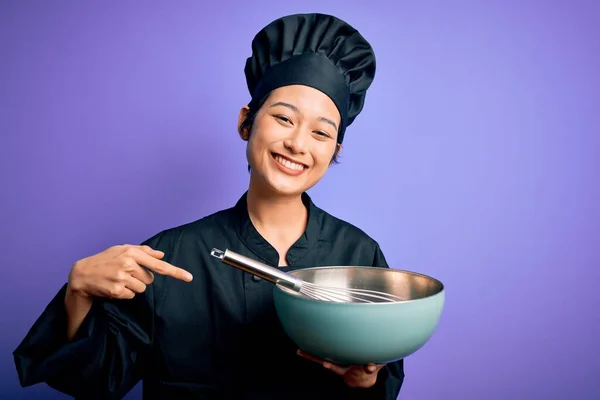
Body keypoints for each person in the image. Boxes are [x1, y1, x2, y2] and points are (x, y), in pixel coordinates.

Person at [13, 13, 405, 400]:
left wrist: (366, 381)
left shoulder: (359, 256)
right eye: (284, 118)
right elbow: (93, 381)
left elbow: (380, 382)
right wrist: (78, 292)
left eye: (321, 132)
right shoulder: (169, 258)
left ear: (334, 150)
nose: (299, 144)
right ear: (245, 123)